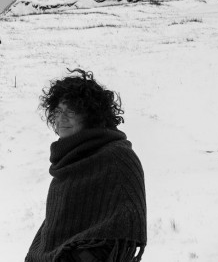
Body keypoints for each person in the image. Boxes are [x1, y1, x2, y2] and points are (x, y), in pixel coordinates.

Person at [25, 69, 147, 262]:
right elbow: (55, 230)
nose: (61, 118)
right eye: (57, 111)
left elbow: (126, 221)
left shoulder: (117, 156)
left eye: (71, 111)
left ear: (90, 115)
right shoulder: (65, 163)